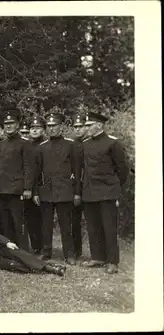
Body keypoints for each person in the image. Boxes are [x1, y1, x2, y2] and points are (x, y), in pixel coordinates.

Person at [81, 112, 129, 274]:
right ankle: (98, 257)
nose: (86, 128)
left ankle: (112, 261)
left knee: (109, 227)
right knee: (93, 226)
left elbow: (122, 170)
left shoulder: (112, 143)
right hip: (89, 191)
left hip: (108, 192)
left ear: (99, 126)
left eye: (89, 125)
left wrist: (114, 187)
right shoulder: (85, 144)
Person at [33, 113, 81, 265]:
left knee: (66, 225)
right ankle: (46, 252)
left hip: (65, 190)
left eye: (54, 126)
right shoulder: (41, 147)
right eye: (49, 126)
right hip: (46, 191)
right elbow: (36, 172)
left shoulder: (70, 145)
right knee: (45, 224)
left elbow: (77, 170)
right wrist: (35, 192)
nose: (51, 129)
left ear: (61, 127)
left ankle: (70, 255)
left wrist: (76, 192)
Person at [0, 108, 35, 251]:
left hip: (17, 190)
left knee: (19, 224)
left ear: (17, 125)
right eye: (6, 124)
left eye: (12, 123)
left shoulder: (25, 143)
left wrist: (27, 188)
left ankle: (24, 251)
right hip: (2, 189)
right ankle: (11, 251)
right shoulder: (2, 144)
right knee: (6, 223)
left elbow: (29, 168)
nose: (9, 126)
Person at [25, 116, 47, 255]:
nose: (34, 130)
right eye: (32, 128)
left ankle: (45, 246)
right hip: (28, 187)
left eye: (37, 128)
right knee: (31, 219)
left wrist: (37, 191)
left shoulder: (46, 145)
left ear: (43, 130)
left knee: (43, 220)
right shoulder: (27, 145)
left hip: (42, 187)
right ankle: (36, 246)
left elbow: (42, 171)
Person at [70, 113, 89, 259]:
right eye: (75, 127)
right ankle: (76, 251)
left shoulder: (91, 142)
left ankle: (99, 254)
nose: (77, 130)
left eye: (80, 126)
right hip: (75, 187)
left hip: (91, 187)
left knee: (92, 221)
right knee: (74, 221)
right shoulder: (72, 144)